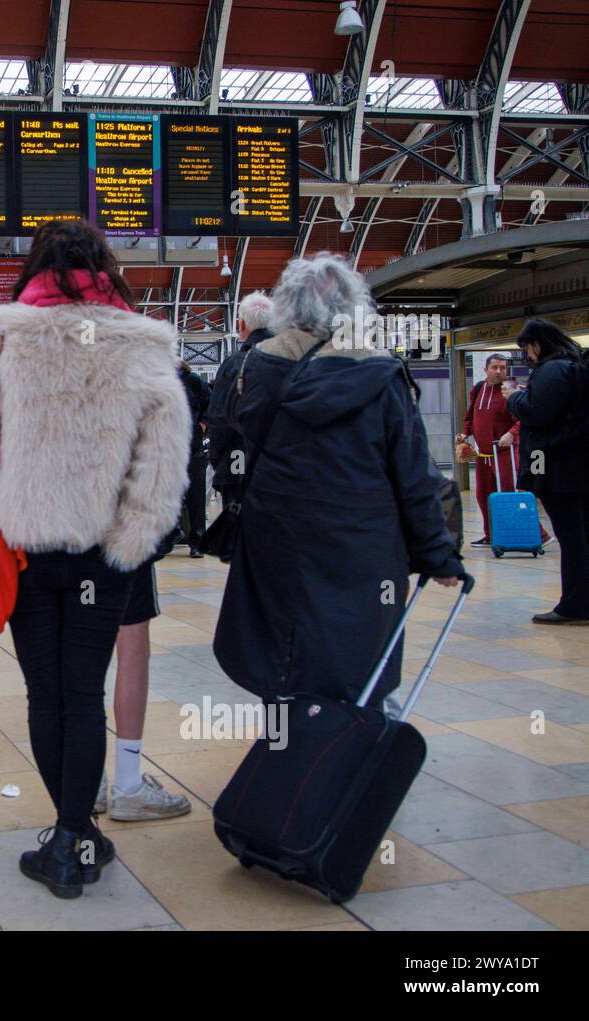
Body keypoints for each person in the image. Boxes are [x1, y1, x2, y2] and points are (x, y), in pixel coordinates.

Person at [0, 219, 190, 899]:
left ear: (37, 268)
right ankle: (78, 835)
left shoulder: (3, 336)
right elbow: (163, 467)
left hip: (25, 551)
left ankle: (67, 834)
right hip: (101, 559)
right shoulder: (144, 346)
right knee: (84, 694)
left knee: (45, 693)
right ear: (106, 268)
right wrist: (129, 543)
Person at [214, 253, 464, 712]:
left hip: (277, 537)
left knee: (285, 647)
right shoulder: (380, 373)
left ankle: (289, 742)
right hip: (362, 545)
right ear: (355, 306)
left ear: (286, 305)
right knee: (362, 650)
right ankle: (356, 743)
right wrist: (438, 554)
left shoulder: (253, 369)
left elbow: (232, 435)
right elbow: (413, 475)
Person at [94, 558, 192, 821]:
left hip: (70, 536)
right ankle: (128, 785)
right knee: (133, 642)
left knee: (83, 643)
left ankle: (90, 780)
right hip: (125, 535)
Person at [507, 319, 589, 624]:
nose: (527, 355)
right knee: (581, 534)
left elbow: (537, 413)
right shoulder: (576, 364)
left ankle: (574, 606)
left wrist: (514, 398)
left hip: (560, 467)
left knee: (571, 538)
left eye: (527, 348)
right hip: (578, 464)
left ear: (537, 344)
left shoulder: (553, 369)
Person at [457, 353, 549, 547]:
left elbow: (523, 419)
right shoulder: (479, 389)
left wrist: (511, 434)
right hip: (483, 455)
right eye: (495, 367)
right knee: (484, 496)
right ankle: (491, 536)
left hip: (505, 454)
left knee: (513, 493)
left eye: (502, 368)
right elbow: (470, 416)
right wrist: (465, 433)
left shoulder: (511, 389)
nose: (499, 371)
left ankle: (540, 535)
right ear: (486, 369)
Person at [209, 291, 273, 505]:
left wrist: (219, 460)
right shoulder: (291, 361)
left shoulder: (233, 365)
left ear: (241, 324)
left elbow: (219, 418)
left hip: (238, 463)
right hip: (280, 469)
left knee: (238, 530)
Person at [178, 362, 211, 556]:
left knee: (196, 498)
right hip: (167, 450)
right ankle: (168, 537)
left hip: (193, 448)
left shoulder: (193, 381)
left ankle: (197, 542)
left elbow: (210, 404)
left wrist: (203, 425)